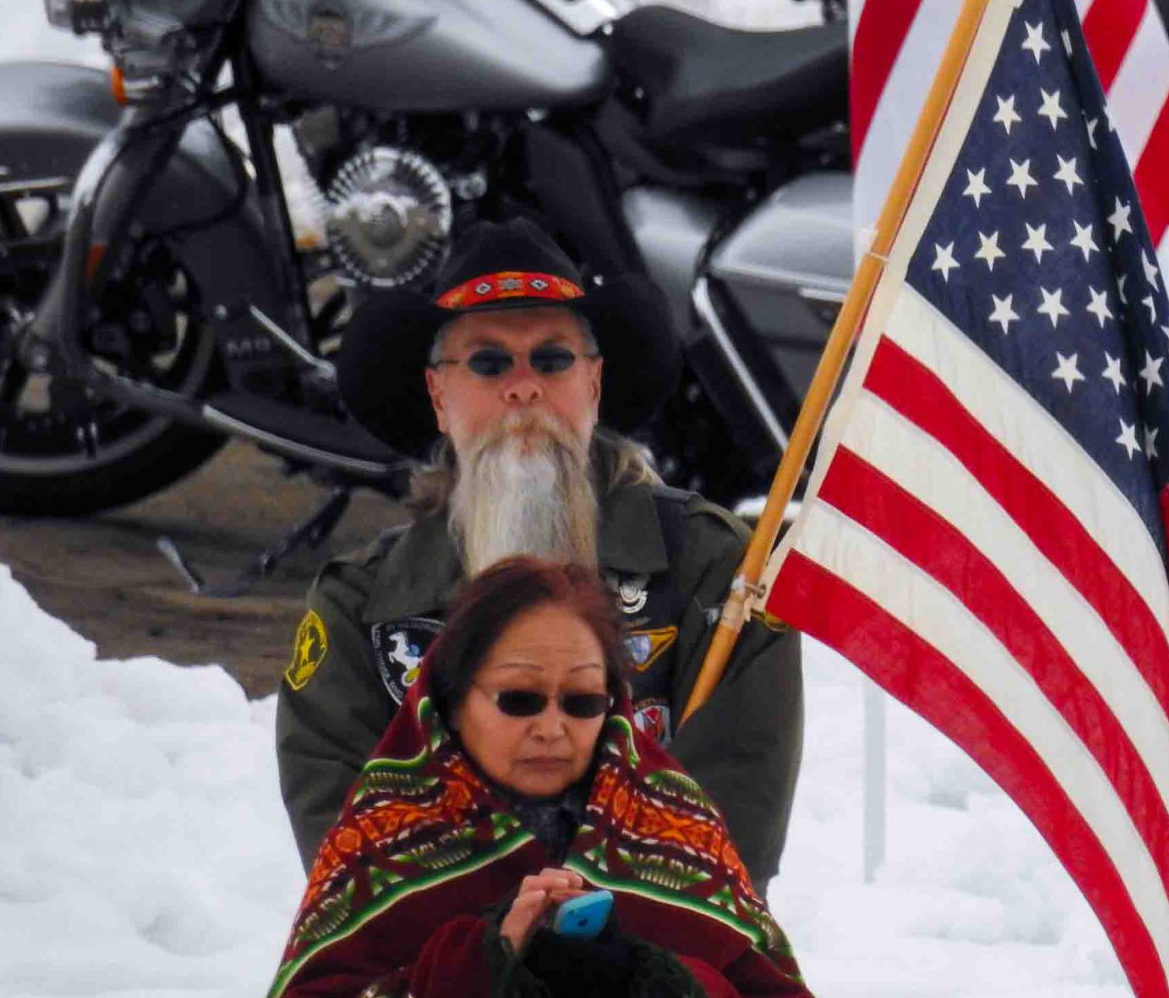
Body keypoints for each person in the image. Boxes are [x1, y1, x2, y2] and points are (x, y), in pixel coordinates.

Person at [256, 557, 835, 998]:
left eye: (582, 702)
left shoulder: (672, 822)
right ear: (451, 696)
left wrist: (650, 987)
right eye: (519, 700)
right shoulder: (389, 833)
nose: (553, 727)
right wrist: (481, 968)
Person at [276, 218, 803, 892]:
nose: (523, 388)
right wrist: (498, 944)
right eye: (489, 363)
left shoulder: (714, 572)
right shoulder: (362, 606)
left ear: (594, 384)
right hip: (440, 975)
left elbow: (737, 808)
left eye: (552, 359)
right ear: (439, 394)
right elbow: (347, 841)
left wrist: (602, 935)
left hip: (664, 962)